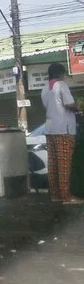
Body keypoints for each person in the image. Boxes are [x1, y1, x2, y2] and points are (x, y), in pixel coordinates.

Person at [41, 63, 82, 204]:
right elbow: (68, 104)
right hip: (64, 129)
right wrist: (79, 107)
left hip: (50, 129)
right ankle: (66, 197)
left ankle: (56, 195)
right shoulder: (61, 85)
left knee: (53, 164)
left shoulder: (45, 88)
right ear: (61, 74)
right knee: (64, 164)